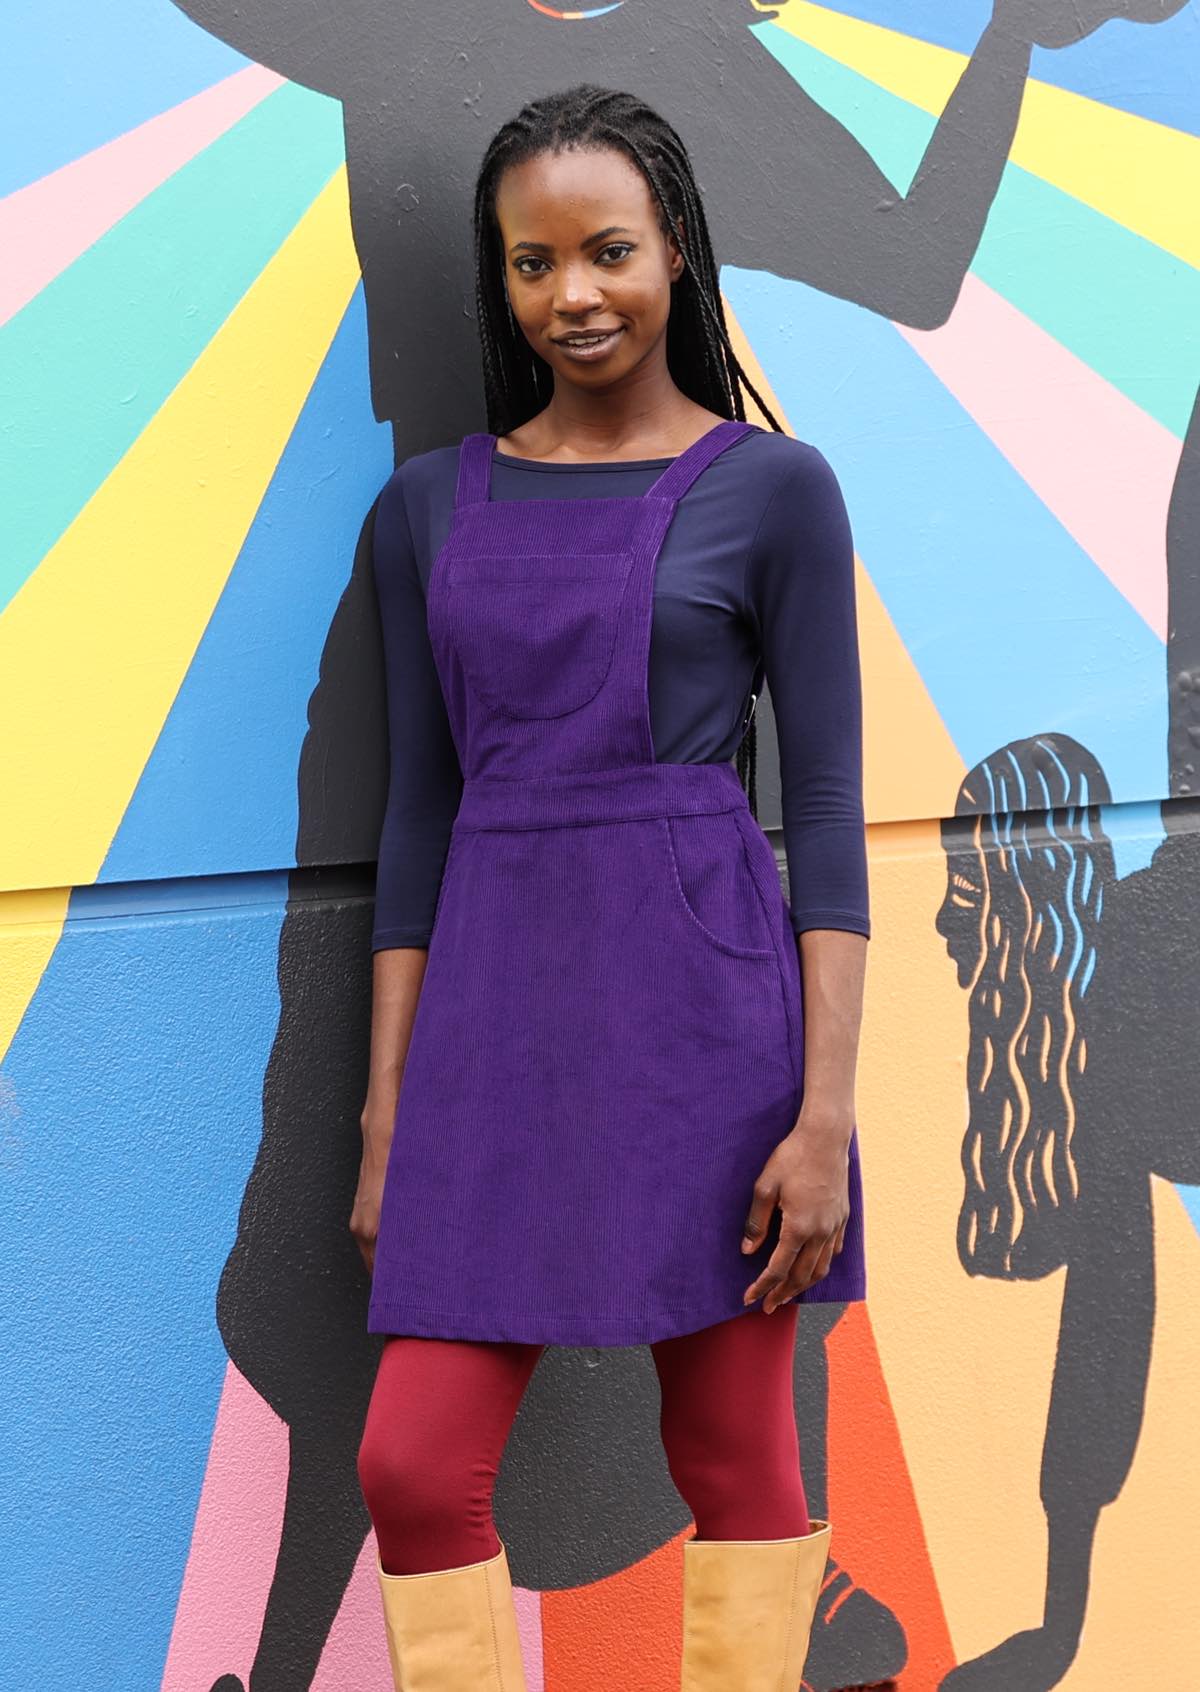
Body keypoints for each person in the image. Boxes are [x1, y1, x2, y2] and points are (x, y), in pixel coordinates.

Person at [351, 82, 870, 1692]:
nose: (571, 293)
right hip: (488, 1031)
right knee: (411, 1469)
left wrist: (824, 1116)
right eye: (530, 262)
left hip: (710, 1032)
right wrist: (387, 1112)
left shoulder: (776, 493)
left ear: (678, 255)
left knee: (732, 1462)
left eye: (608, 251)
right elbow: (417, 818)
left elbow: (833, 813)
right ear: (499, 283)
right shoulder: (426, 508)